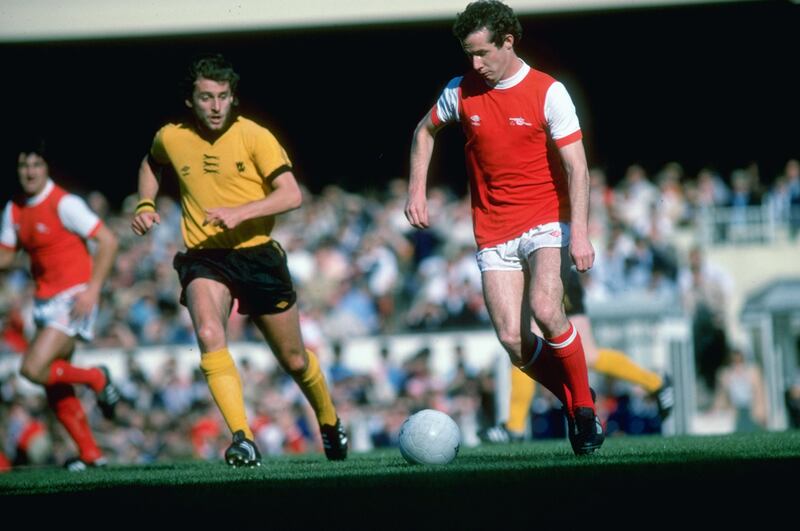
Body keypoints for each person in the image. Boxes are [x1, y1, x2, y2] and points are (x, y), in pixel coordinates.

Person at [405, 0, 603, 455]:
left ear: (508, 42)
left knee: (547, 310)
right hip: (492, 228)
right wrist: (417, 189)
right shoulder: (460, 90)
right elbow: (424, 132)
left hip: (546, 220)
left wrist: (583, 232)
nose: (475, 64)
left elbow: (578, 168)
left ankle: (585, 412)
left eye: (483, 53)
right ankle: (578, 404)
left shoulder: (548, 92)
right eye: (469, 55)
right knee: (513, 342)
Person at [131, 53, 347, 467]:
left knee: (295, 360)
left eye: (223, 97)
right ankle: (243, 438)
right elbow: (150, 161)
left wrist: (240, 211)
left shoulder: (255, 136)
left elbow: (292, 194)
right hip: (205, 258)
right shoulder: (171, 136)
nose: (215, 106)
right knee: (210, 333)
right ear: (190, 101)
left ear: (233, 98)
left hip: (258, 256)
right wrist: (144, 203)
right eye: (206, 97)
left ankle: (329, 419)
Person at [0, 139, 121, 470]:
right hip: (44, 301)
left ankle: (97, 377)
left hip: (74, 297)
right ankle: (91, 454)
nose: (29, 172)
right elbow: (7, 256)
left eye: (36, 165)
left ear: (46, 169)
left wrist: (93, 290)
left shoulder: (64, 203)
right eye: (24, 165)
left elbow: (108, 241)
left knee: (33, 369)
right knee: (54, 385)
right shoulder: (13, 209)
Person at [484, 267, 675, 443]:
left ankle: (514, 428)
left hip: (544, 269)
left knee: (525, 345)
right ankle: (656, 383)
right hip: (553, 269)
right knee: (586, 354)